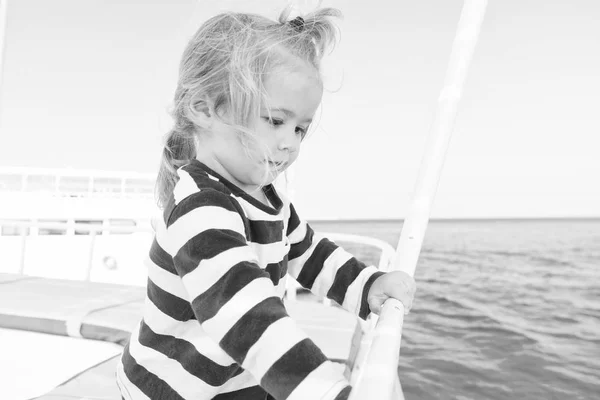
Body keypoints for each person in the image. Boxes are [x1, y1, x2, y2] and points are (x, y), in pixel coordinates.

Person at [116, 7, 416, 400]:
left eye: (301, 129)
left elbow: (310, 253)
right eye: (275, 121)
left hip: (233, 378)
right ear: (204, 108)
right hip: (174, 388)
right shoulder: (200, 209)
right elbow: (247, 316)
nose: (290, 142)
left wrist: (368, 285)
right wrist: (326, 392)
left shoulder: (267, 199)